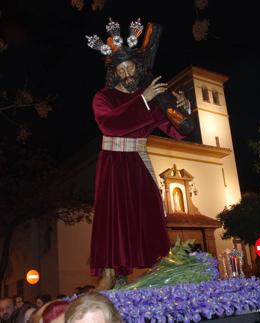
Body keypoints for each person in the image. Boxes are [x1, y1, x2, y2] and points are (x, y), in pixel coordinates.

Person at [86, 18, 191, 289]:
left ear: (137, 65)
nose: (127, 73)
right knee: (114, 222)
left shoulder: (151, 94)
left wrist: (181, 108)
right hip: (113, 165)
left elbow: (176, 130)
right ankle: (109, 277)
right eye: (120, 69)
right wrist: (143, 98)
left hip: (138, 163)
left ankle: (159, 274)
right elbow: (110, 124)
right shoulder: (104, 97)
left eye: (130, 66)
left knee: (149, 216)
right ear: (114, 72)